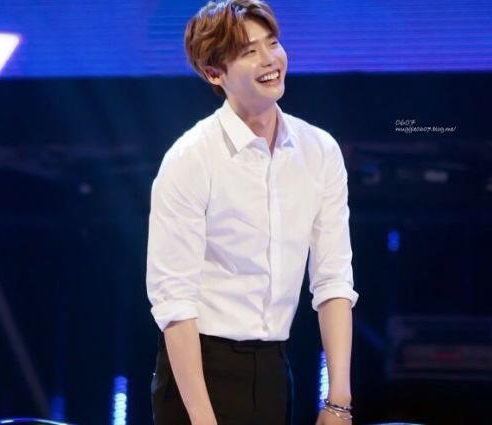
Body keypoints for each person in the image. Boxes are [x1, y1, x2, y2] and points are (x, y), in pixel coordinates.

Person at [146, 1, 359, 424]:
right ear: (214, 73)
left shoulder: (319, 150)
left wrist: (338, 401)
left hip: (274, 368)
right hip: (199, 371)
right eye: (249, 51)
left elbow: (333, 279)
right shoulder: (191, 158)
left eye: (273, 44)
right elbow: (174, 303)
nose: (269, 60)